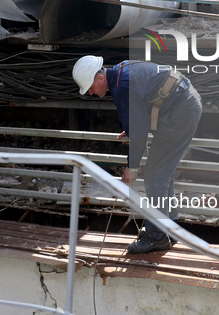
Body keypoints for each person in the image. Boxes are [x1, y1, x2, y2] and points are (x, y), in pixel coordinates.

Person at [72, 55, 202, 254]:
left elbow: (140, 127)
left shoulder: (121, 86)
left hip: (180, 110)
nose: (90, 92)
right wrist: (134, 129)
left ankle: (156, 236)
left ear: (99, 78)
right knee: (161, 174)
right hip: (182, 104)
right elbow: (143, 109)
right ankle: (170, 228)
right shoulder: (121, 71)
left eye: (90, 87)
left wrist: (132, 167)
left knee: (155, 176)